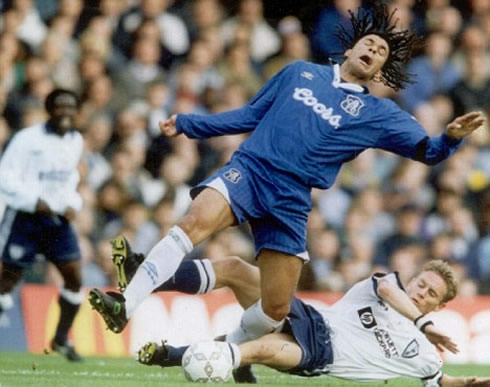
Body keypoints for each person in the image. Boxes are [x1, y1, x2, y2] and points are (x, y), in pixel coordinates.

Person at [88, 2, 486, 352]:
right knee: (191, 222)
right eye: (368, 43)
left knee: (275, 307)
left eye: (381, 51)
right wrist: (191, 124)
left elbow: (429, 153)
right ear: (350, 48)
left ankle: (230, 352)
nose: (373, 49)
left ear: (381, 68)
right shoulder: (299, 73)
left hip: (293, 199)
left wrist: (450, 139)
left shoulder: (380, 115)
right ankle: (126, 304)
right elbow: (247, 116)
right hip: (253, 170)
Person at [108, 238, 489, 385]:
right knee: (238, 270)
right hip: (311, 317)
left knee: (263, 347)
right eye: (421, 283)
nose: (421, 292)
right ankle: (143, 276)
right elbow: (390, 289)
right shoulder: (384, 286)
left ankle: (171, 355)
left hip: (321, 356)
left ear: (441, 305)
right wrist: (422, 320)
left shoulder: (422, 355)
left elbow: (443, 383)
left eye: (430, 294)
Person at [0, 88, 84, 361]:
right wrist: (33, 200)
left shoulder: (75, 140)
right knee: (7, 279)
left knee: (74, 278)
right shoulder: (27, 139)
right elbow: (5, 176)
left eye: (71, 107)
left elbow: (70, 179)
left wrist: (73, 202)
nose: (65, 112)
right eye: (59, 106)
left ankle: (61, 339)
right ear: (49, 109)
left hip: (57, 221)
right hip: (26, 217)